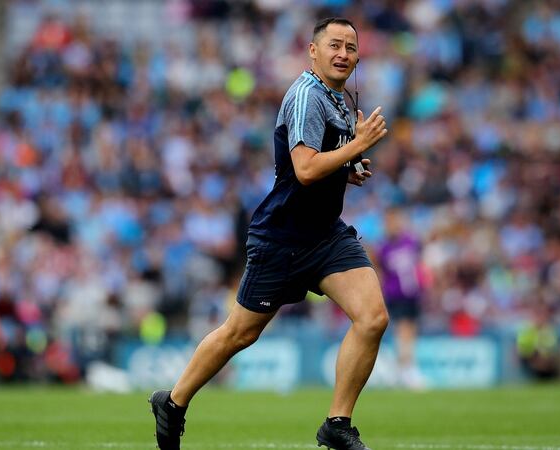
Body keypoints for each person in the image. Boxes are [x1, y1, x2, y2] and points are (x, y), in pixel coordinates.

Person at [150, 17, 389, 450]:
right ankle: (173, 402)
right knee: (240, 333)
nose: (343, 54)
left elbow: (318, 165)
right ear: (312, 51)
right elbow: (303, 168)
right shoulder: (305, 95)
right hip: (281, 239)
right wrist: (356, 146)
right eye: (334, 45)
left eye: (351, 48)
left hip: (326, 237)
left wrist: (347, 169)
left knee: (372, 317)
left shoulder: (336, 99)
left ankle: (337, 422)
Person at [377, 209, 426, 389]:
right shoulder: (384, 247)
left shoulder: (411, 241)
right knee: (403, 330)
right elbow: (381, 271)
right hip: (396, 294)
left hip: (412, 292)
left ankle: (403, 368)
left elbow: (419, 265)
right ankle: (407, 368)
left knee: (410, 330)